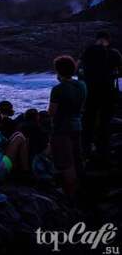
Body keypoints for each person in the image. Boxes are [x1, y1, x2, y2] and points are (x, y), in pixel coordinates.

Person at [79, 31, 122, 161]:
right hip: (108, 93)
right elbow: (120, 72)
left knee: (88, 121)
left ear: (97, 39)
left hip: (90, 92)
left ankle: (86, 150)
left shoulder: (88, 50)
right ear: (108, 40)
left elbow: (78, 68)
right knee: (105, 122)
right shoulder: (115, 53)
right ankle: (103, 151)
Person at [48, 55, 87, 197]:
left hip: (61, 129)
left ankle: (70, 196)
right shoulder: (82, 85)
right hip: (77, 125)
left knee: (66, 163)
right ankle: (80, 191)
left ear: (58, 71)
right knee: (77, 159)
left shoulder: (58, 89)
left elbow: (51, 112)